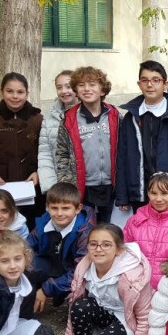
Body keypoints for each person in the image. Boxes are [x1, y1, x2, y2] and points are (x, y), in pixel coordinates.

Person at [58, 224, 152, 335]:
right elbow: (73, 313)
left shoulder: (133, 274)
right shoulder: (84, 268)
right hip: (104, 314)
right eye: (93, 244)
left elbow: (145, 319)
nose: (98, 249)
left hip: (128, 319)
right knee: (80, 305)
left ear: (119, 249)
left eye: (106, 244)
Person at [116, 60, 168, 219]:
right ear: (139, 84)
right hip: (141, 192)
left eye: (156, 80)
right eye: (145, 80)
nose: (150, 85)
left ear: (165, 84)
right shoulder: (130, 118)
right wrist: (122, 195)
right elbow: (122, 157)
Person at [0, 72, 44, 227]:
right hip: (2, 184)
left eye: (20, 92)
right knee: (2, 225)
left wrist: (39, 171)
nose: (15, 96)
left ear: (27, 93)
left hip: (31, 185)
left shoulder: (37, 119)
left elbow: (45, 150)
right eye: (9, 91)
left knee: (30, 225)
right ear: (2, 92)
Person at [55, 66, 120, 224]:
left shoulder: (115, 116)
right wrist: (68, 186)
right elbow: (62, 155)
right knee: (85, 229)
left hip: (111, 187)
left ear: (102, 90)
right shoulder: (69, 120)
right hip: (83, 188)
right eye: (81, 85)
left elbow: (123, 150)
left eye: (92, 84)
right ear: (76, 90)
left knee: (107, 229)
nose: (87, 89)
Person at [26, 182, 95, 311]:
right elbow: (26, 247)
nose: (59, 213)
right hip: (54, 263)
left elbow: (80, 271)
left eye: (65, 208)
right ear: (47, 207)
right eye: (54, 208)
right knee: (23, 264)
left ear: (78, 209)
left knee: (79, 300)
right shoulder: (45, 220)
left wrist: (46, 289)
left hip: (76, 270)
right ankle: (25, 305)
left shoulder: (85, 231)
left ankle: (63, 294)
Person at [38, 70, 78, 194]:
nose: (64, 91)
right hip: (59, 186)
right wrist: (50, 186)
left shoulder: (88, 113)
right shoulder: (50, 116)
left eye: (68, 86)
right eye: (59, 87)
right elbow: (45, 153)